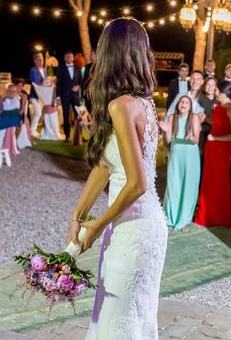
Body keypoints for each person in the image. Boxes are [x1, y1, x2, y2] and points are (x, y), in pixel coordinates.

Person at [67, 18, 166, 339]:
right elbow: (107, 166)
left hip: (134, 229)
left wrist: (96, 225)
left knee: (117, 322)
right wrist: (78, 215)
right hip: (138, 224)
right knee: (123, 318)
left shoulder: (122, 106)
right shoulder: (142, 104)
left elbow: (138, 183)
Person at [194, 81, 231, 227]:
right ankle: (208, 215)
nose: (216, 93)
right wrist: (205, 118)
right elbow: (219, 124)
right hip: (212, 148)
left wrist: (216, 138)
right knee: (210, 181)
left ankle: (220, 216)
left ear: (224, 92)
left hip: (222, 149)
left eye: (218, 91)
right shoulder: (219, 106)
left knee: (220, 181)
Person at [159, 95, 201, 232]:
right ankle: (170, 217)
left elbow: (196, 140)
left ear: (190, 107)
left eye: (186, 102)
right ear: (178, 105)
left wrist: (189, 138)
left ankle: (184, 220)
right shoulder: (172, 117)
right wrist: (164, 131)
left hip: (190, 156)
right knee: (173, 185)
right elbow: (168, 140)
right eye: (181, 102)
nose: (183, 104)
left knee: (188, 187)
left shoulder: (194, 118)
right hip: (176, 155)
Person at [56, 51, 83, 140]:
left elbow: (81, 81)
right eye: (67, 57)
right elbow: (58, 83)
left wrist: (78, 86)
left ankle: (79, 135)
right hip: (64, 96)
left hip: (75, 96)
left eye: (70, 57)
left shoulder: (77, 67)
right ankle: (67, 135)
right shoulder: (61, 68)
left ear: (73, 58)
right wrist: (58, 97)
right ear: (64, 58)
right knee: (65, 115)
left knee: (78, 115)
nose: (69, 58)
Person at [197, 76, 218, 152]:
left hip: (214, 134)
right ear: (204, 86)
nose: (210, 87)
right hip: (201, 133)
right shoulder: (199, 99)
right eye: (208, 85)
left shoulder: (219, 101)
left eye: (213, 85)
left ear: (215, 87)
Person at [29, 52, 47, 137]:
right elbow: (34, 82)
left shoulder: (45, 69)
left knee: (41, 112)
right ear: (35, 61)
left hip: (43, 95)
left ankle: (33, 130)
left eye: (42, 59)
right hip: (34, 95)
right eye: (39, 59)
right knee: (38, 113)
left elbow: (46, 81)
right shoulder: (33, 70)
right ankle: (32, 130)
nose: (41, 61)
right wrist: (44, 82)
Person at [82, 49, 96, 113]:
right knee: (89, 110)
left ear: (96, 54)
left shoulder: (102, 66)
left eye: (91, 54)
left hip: (97, 92)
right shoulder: (87, 66)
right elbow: (84, 80)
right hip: (88, 94)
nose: (90, 56)